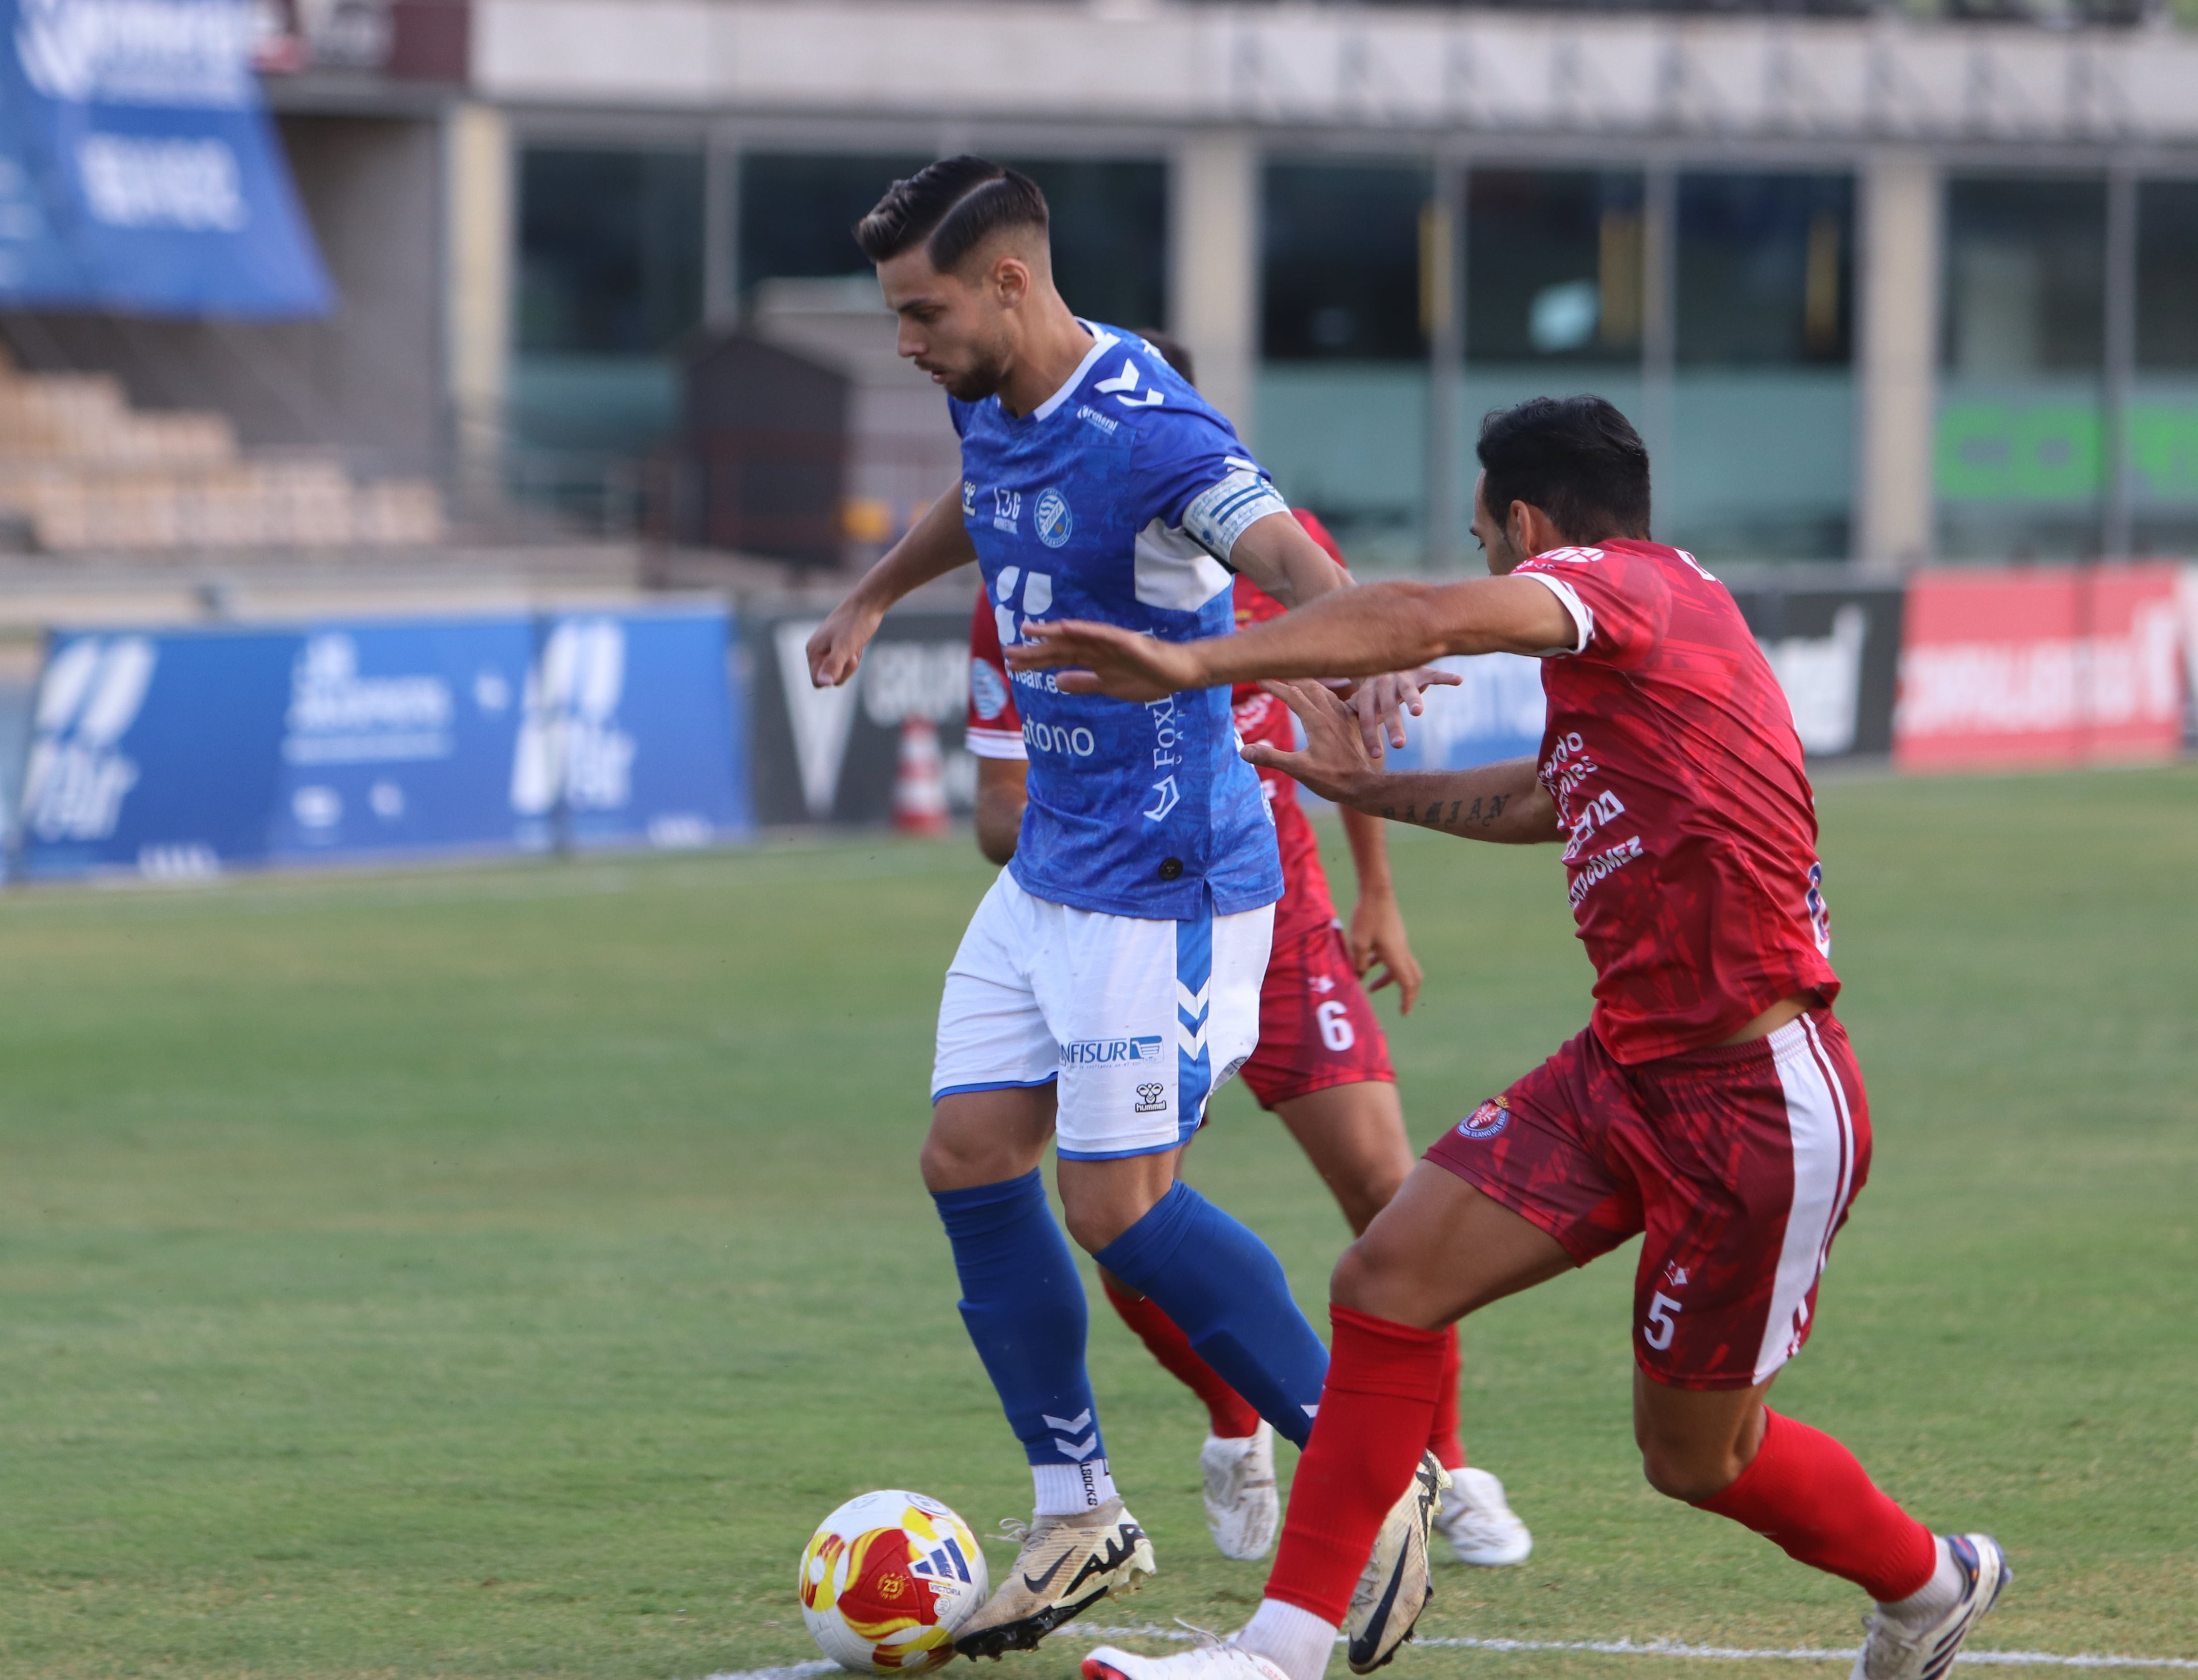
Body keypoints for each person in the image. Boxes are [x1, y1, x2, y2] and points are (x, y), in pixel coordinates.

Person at [1009, 396, 2008, 1680]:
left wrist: (1194, 664)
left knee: (1696, 1458)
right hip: (1623, 1071)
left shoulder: (1620, 585)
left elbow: (1421, 618)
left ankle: (1932, 1580)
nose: (1483, 557)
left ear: (1526, 526)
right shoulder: (1646, 629)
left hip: (1755, 1098)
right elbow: (1553, 794)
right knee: (1385, 1278)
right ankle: (1278, 1651)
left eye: (1484, 536)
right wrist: (1373, 791)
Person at [805, 157, 1434, 1660]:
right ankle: (1077, 1508)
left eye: (921, 312)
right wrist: (878, 588)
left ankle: (1376, 1471)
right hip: (1050, 873)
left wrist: (1355, 649)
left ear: (1009, 282)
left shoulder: (1157, 433)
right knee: (969, 1158)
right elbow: (984, 491)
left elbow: (1285, 553)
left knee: (1117, 1209)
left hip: (1166, 883)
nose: (906, 341)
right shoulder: (993, 389)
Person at [967, 415, 1531, 1568]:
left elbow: (1354, 723)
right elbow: (995, 813)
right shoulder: (1031, 582)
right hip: (1138, 925)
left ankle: (1446, 1466)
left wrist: (1378, 894)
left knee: (1389, 1191)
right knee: (1125, 1215)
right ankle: (1236, 1420)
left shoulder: (1282, 545)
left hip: (1287, 928)